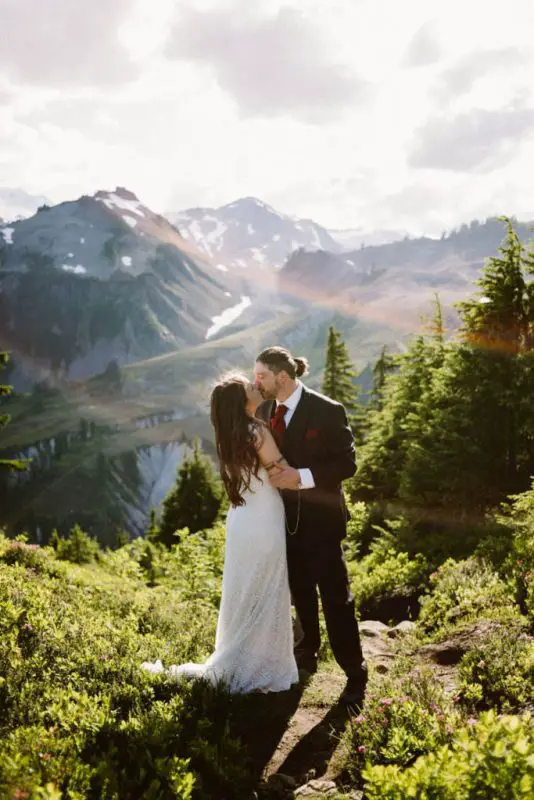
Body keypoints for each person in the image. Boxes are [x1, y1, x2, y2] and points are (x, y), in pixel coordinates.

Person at [141, 373, 299, 694]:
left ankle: (245, 656)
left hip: (242, 519)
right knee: (266, 586)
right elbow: (281, 472)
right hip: (264, 517)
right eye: (249, 387)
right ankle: (264, 665)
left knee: (245, 589)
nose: (256, 387)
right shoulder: (257, 431)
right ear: (242, 402)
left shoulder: (231, 435)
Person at [254, 346, 367, 707]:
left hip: (322, 524)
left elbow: (347, 465)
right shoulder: (266, 410)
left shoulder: (327, 410)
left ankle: (354, 672)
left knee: (336, 599)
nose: (256, 382)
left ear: (282, 377)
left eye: (262, 376)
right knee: (300, 591)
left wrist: (299, 477)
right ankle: (309, 650)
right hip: (283, 523)